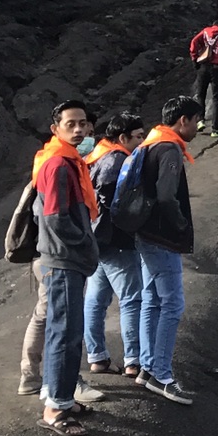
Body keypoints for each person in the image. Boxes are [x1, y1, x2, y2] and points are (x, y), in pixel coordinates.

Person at [30, 100, 101, 435]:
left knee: (68, 331)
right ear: (55, 128)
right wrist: (86, 244)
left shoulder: (66, 161)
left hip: (62, 258)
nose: (79, 130)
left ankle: (62, 397)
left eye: (83, 123)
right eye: (70, 124)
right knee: (65, 333)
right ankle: (55, 409)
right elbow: (57, 218)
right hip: (62, 260)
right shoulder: (59, 165)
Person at [134, 97, 201, 403]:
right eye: (196, 121)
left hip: (145, 233)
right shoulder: (170, 149)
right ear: (183, 120)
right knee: (172, 304)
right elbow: (165, 195)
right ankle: (162, 375)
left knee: (151, 301)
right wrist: (178, 224)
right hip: (162, 237)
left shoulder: (150, 142)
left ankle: (147, 368)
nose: (197, 127)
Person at [85, 112, 146, 376]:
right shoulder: (119, 160)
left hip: (96, 239)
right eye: (138, 137)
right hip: (117, 240)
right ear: (123, 138)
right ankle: (134, 360)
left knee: (95, 299)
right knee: (132, 299)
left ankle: (97, 356)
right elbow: (117, 205)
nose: (142, 142)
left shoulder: (95, 157)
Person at [189, 14, 218, 135]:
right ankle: (215, 128)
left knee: (200, 95)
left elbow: (194, 42)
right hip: (217, 69)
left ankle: (200, 120)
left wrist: (194, 59)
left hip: (203, 67)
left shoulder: (205, 32)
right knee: (216, 98)